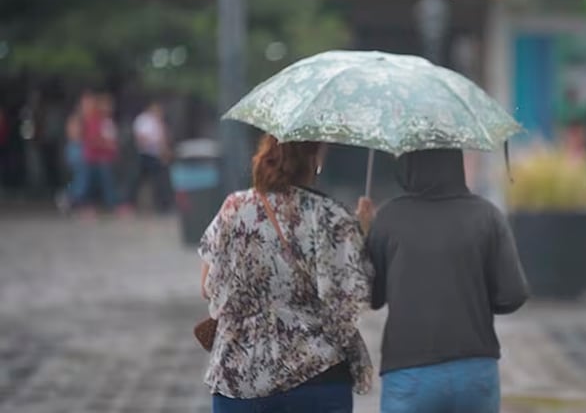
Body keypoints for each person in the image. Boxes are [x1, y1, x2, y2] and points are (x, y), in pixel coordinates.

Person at [199, 135, 373, 413]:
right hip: (319, 375)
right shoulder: (332, 216)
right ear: (315, 159)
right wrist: (360, 232)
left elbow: (208, 286)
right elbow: (355, 293)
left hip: (240, 377)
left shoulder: (235, 207)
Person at [363, 149, 528, 413]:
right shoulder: (487, 215)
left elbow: (371, 297)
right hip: (475, 369)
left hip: (409, 372)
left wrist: (364, 235)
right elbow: (513, 296)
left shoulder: (389, 218)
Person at [128, 101, 172, 212]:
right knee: (137, 179)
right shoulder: (143, 120)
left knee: (160, 180)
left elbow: (164, 139)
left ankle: (163, 205)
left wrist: (165, 152)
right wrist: (155, 142)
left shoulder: (158, 122)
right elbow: (141, 138)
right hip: (145, 154)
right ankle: (128, 202)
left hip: (156, 155)